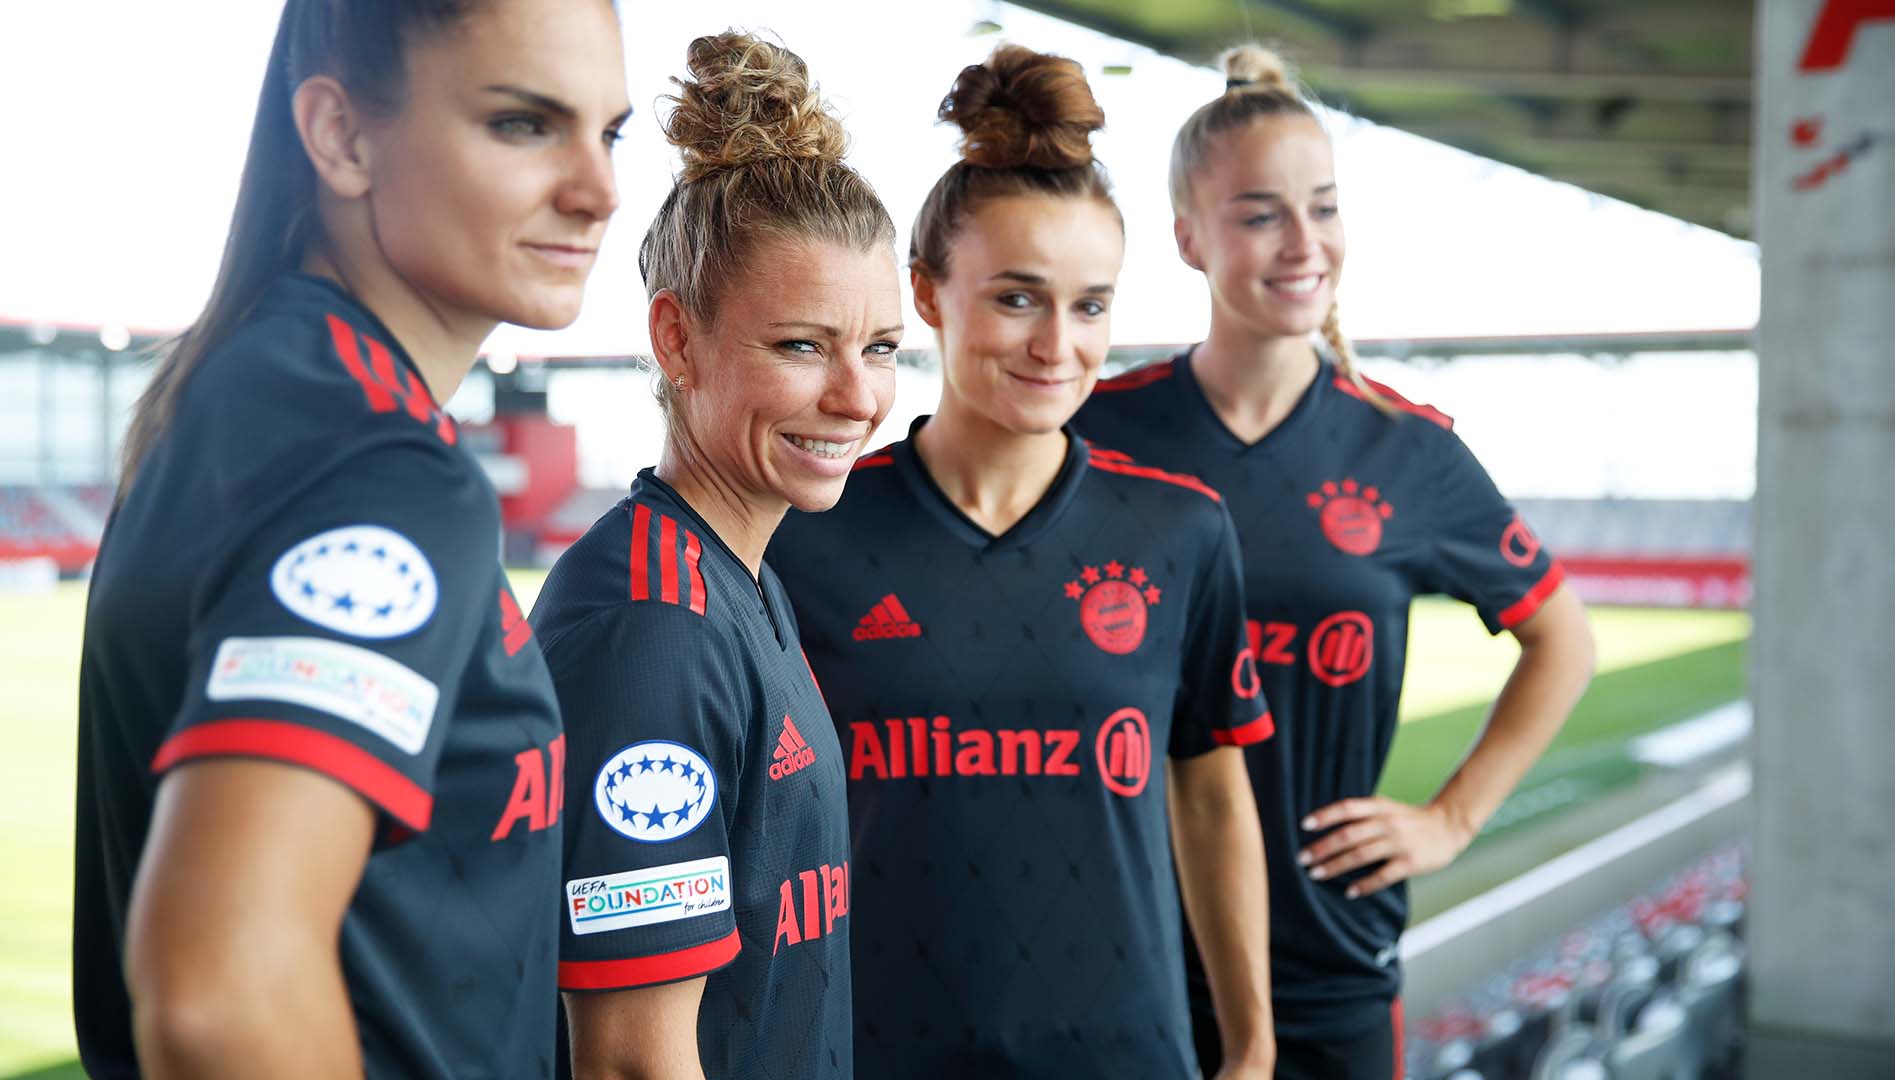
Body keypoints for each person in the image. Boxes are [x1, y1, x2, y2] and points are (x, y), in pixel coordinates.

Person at [72, 1, 628, 1076]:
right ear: (340, 136)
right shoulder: (378, 465)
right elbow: (222, 995)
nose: (598, 189)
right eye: (523, 123)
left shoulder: (249, 392)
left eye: (610, 132)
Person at [1072, 44, 1598, 1079]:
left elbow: (1563, 642)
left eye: (1324, 207)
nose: (1303, 242)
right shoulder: (1096, 435)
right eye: (1261, 213)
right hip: (1122, 953)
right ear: (1187, 236)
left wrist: (1451, 818)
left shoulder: (1409, 451)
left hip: (1330, 963)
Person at [766, 43, 1277, 1080]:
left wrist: (1255, 1046)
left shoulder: (1181, 533)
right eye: (1016, 297)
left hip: (1128, 1057)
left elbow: (1215, 799)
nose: (1059, 344)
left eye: (1090, 305)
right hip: (871, 1056)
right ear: (926, 290)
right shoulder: (804, 535)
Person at [527, 31, 900, 1080]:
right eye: (801, 345)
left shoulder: (738, 577)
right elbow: (631, 1063)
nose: (858, 397)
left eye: (879, 347)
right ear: (677, 340)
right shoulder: (655, 633)